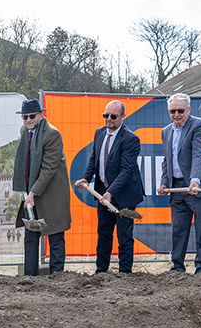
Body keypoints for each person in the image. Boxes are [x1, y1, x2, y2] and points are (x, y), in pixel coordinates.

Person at [75, 100, 145, 273]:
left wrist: (110, 192)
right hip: (103, 193)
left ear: (123, 116)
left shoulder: (130, 139)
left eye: (113, 116)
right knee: (104, 233)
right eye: (105, 115)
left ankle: (125, 273)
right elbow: (94, 159)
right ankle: (101, 271)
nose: (109, 119)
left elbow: (126, 171)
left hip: (125, 195)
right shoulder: (99, 133)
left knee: (124, 235)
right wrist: (86, 179)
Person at [157, 94, 201, 273]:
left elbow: (199, 154)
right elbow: (167, 160)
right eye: (172, 111)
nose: (176, 114)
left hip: (199, 186)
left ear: (188, 110)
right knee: (178, 229)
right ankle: (177, 267)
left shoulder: (200, 125)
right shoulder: (166, 131)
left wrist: (195, 180)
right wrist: (164, 182)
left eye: (180, 110)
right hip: (176, 186)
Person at [12, 99, 71, 275]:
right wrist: (28, 191)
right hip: (32, 190)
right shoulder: (24, 131)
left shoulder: (52, 134)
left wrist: (33, 192)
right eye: (24, 117)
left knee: (55, 234)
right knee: (31, 233)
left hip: (52, 192)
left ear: (41, 115)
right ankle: (29, 277)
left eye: (32, 116)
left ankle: (57, 276)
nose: (28, 120)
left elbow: (48, 169)